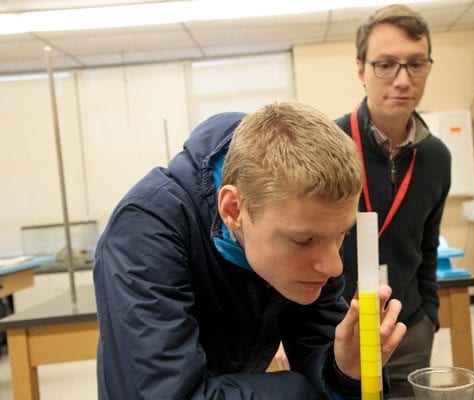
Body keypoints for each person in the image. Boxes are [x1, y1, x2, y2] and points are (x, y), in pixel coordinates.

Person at [93, 101, 406, 399]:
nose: (333, 266)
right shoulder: (144, 229)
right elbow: (163, 394)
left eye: (341, 235)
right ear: (233, 209)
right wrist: (313, 392)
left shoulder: (303, 225)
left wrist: (344, 374)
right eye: (303, 241)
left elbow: (318, 351)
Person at [335, 4, 451, 397]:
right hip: (336, 329)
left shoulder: (436, 157)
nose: (403, 80)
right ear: (361, 69)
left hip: (407, 329)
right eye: (385, 64)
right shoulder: (328, 144)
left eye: (416, 64)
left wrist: (429, 317)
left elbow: (428, 245)